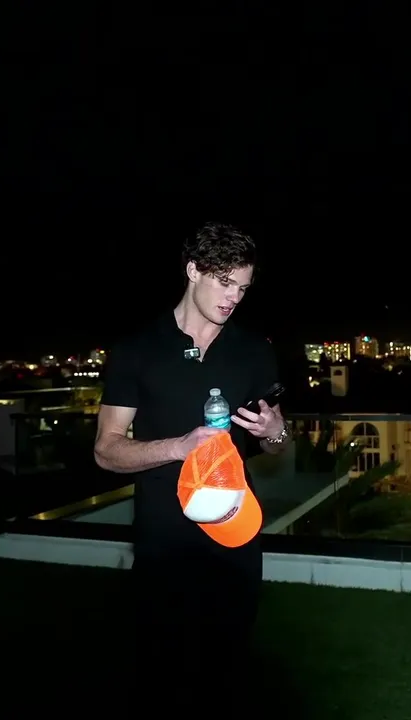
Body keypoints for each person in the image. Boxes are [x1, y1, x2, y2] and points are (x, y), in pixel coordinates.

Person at [94, 222, 289, 715]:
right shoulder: (137, 350)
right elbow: (106, 450)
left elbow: (276, 446)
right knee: (162, 671)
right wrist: (179, 447)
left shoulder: (254, 351)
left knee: (230, 670)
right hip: (163, 538)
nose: (233, 298)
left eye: (242, 287)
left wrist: (274, 431)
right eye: (225, 282)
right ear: (193, 270)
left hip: (235, 533)